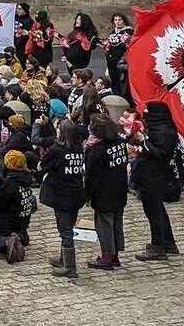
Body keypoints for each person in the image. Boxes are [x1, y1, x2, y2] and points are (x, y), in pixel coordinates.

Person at [131, 101, 180, 260]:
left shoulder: (165, 132)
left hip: (154, 176)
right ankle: (168, 241)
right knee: (157, 210)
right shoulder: (158, 129)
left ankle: (157, 245)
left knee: (154, 213)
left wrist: (144, 140)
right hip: (148, 175)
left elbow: (159, 153)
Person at [40, 120, 85, 278]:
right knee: (68, 226)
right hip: (76, 194)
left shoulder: (56, 150)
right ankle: (63, 258)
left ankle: (70, 266)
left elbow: (44, 165)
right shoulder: (78, 149)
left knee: (65, 230)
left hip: (61, 195)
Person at [83, 114, 129, 269]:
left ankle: (107, 257)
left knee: (104, 225)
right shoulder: (120, 143)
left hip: (104, 192)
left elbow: (92, 176)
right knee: (117, 222)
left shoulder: (96, 149)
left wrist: (88, 195)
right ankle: (115, 254)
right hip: (119, 188)